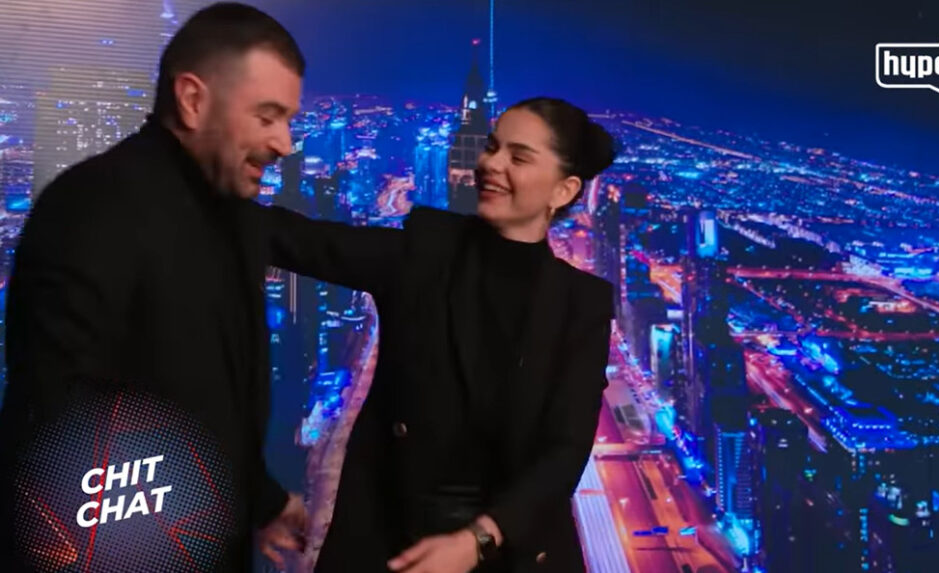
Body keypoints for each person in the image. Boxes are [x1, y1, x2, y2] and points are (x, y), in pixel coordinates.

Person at [0, 3, 306, 570]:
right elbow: (56, 434)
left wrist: (260, 503)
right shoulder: (90, 208)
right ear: (193, 100)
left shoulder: (234, 217)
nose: (285, 143)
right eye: (267, 117)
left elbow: (210, 405)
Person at [263, 96, 618, 573]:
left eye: (518, 157)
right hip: (394, 543)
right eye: (492, 147)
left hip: (506, 553)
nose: (490, 164)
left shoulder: (581, 305)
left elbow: (565, 452)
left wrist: (477, 540)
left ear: (564, 190)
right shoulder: (424, 256)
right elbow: (297, 241)